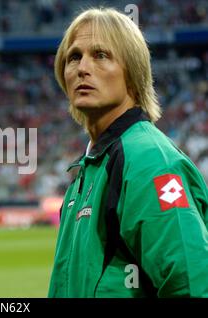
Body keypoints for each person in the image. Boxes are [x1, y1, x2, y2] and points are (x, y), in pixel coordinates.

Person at [48, 8, 208, 297]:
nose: (83, 68)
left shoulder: (150, 161)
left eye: (100, 55)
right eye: (74, 57)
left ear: (133, 75)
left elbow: (193, 285)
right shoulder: (86, 170)